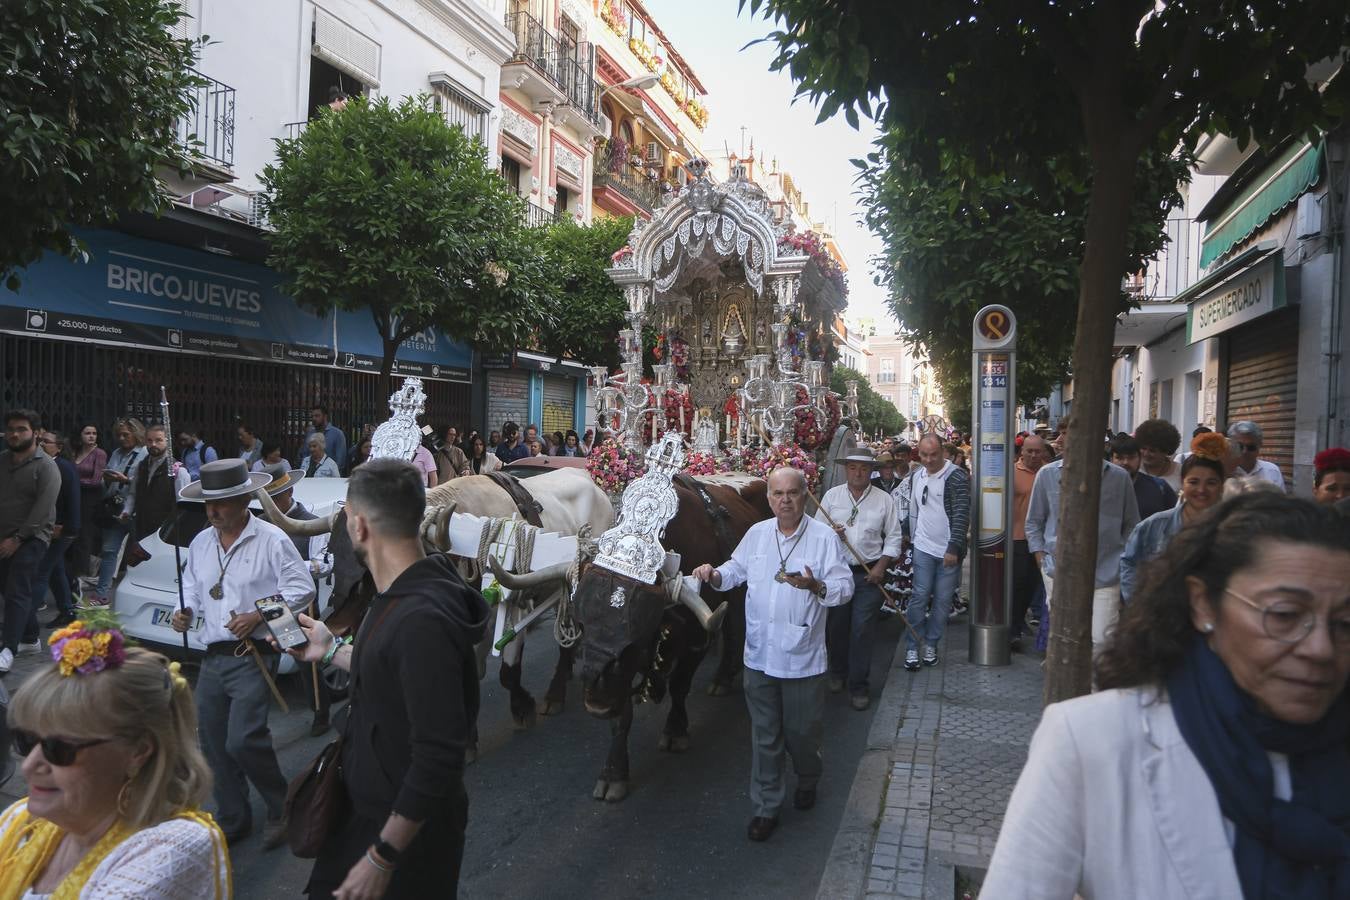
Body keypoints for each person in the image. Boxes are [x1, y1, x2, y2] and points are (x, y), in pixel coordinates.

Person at [983, 494, 1350, 899]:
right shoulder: (1092, 739)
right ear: (1203, 603)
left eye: (1345, 623)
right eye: (1284, 615)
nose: (1320, 649)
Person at [278, 459, 490, 898]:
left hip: (403, 839)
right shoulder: (403, 594)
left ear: (357, 527)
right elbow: (394, 670)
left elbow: (439, 755)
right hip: (366, 816)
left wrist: (382, 856)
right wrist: (331, 650)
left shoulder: (422, 619)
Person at [0, 631, 230, 898]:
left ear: (138, 751)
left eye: (59, 748)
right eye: (27, 740)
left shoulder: (172, 847)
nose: (30, 765)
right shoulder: (21, 820)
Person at [693, 467, 853, 843]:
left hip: (802, 659)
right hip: (760, 657)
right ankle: (766, 806)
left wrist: (817, 585)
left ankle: (808, 776)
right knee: (765, 737)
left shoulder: (824, 538)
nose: (785, 500)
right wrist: (715, 575)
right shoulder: (757, 534)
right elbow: (736, 569)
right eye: (777, 493)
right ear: (768, 499)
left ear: (805, 495)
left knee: (801, 735)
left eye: (792, 493)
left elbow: (845, 587)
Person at [169, 459, 314, 849]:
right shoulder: (201, 542)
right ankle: (233, 818)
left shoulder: (271, 538)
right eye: (208, 504)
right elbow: (193, 588)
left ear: (244, 499)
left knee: (243, 740)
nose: (213, 511)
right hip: (213, 656)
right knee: (212, 742)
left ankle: (282, 807)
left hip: (252, 654)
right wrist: (184, 613)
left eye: (222, 503)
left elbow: (303, 588)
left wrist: (257, 615)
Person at [1025, 416, 1140, 648]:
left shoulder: (1119, 478)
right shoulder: (1047, 475)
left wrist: (1121, 560)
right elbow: (1034, 521)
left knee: (1101, 640)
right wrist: (1041, 559)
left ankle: (1096, 686)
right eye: (1069, 435)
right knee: (1064, 638)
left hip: (1106, 572)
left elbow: (1131, 524)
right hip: (1058, 570)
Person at [817, 448, 902, 710]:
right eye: (853, 467)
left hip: (870, 575)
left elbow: (894, 537)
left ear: (871, 471)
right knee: (836, 627)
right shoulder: (832, 497)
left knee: (862, 630)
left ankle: (859, 685)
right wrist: (832, 533)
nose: (858, 473)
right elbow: (817, 535)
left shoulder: (884, 500)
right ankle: (838, 672)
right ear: (846, 469)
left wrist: (881, 568)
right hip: (837, 572)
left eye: (864, 468)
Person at [258, 461, 334, 736]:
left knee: (306, 663)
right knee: (265, 658)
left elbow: (325, 564)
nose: (274, 503)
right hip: (272, 603)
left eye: (277, 496)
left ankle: (320, 712)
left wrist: (296, 565)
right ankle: (258, 719)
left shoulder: (309, 521)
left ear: (289, 493)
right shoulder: (261, 523)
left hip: (301, 603)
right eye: (269, 498)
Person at [1118, 438, 1226, 604]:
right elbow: (1129, 562)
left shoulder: (1232, 529)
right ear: (1182, 483)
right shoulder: (1154, 525)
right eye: (1194, 482)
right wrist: (1138, 605)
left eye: (1211, 482)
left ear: (1222, 486)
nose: (1202, 490)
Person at [898, 434, 972, 671]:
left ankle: (931, 644)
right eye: (924, 455)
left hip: (948, 553)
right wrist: (907, 532)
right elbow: (913, 507)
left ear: (943, 453)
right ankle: (912, 647)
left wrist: (954, 548)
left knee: (941, 602)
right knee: (919, 597)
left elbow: (962, 514)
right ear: (918, 454)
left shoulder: (956, 476)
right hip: (923, 547)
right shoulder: (916, 475)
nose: (929, 460)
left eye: (933, 455)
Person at [0, 409, 61, 674]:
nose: (15, 434)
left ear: (35, 433)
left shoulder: (47, 466)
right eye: (11, 429)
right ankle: (30, 637)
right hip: (4, 537)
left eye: (22, 429)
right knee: (8, 589)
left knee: (17, 589)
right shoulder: (2, 461)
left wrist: (18, 539)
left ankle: (7, 649)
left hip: (32, 538)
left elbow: (43, 509)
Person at [94, 418, 147, 604]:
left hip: (135, 509)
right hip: (114, 507)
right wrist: (108, 478)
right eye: (119, 435)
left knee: (140, 554)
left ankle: (140, 594)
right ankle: (101, 595)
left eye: (126, 434)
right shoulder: (116, 453)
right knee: (109, 551)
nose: (122, 438)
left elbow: (146, 483)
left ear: (136, 434)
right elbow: (107, 476)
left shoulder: (144, 453)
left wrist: (126, 480)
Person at [32, 431, 80, 629]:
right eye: (40, 441)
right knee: (55, 570)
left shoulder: (64, 467)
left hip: (61, 528)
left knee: (41, 571)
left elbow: (72, 499)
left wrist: (67, 527)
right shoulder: (42, 464)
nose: (42, 444)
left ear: (58, 447)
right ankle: (67, 610)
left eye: (46, 442)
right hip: (50, 526)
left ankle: (25, 614)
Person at [1010, 434, 1051, 651]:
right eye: (1030, 451)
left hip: (1044, 541)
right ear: (1022, 451)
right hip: (1018, 538)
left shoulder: (1050, 472)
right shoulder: (1012, 473)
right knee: (1018, 585)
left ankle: (1019, 622)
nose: (1034, 455)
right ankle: (1013, 628)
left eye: (1038, 451)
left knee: (1034, 586)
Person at [125, 425, 191, 544]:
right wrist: (127, 511)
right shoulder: (141, 466)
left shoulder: (178, 471)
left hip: (162, 533)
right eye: (149, 441)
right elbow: (133, 493)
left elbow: (182, 505)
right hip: (140, 528)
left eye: (158, 440)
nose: (153, 444)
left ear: (168, 441)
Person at [1109, 433, 1178, 520]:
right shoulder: (1101, 486)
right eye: (1119, 458)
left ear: (1140, 458)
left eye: (1131, 457)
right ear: (1111, 459)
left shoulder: (1159, 487)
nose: (1125, 462)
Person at [72, 423, 106, 577]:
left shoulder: (99, 454)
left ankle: (82, 572)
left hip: (89, 498)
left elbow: (96, 480)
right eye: (87, 433)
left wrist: (74, 482)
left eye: (94, 433)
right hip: (73, 496)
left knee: (84, 534)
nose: (91, 436)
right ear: (80, 435)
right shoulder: (75, 452)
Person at [1228, 420, 1286, 490]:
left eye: (1251, 447)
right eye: (1240, 446)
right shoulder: (1225, 471)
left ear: (1260, 446)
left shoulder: (1272, 471)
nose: (1244, 452)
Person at [1134, 418, 1182, 491]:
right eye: (1143, 448)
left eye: (1152, 451)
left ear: (1165, 451)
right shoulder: (1134, 468)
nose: (1146, 454)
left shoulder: (1181, 471)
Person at [303, 405, 347, 472]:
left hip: (329, 476)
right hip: (309, 475)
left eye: (317, 416)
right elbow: (305, 454)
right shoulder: (310, 433)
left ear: (325, 416)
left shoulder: (337, 434)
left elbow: (340, 460)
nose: (314, 418)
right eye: (312, 416)